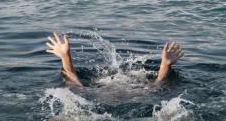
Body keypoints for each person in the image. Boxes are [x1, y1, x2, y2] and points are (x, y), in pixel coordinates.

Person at [45, 31, 184, 88]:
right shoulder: (140, 92)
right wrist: (165, 64)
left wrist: (65, 57)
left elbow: (73, 80)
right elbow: (158, 83)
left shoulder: (95, 92)